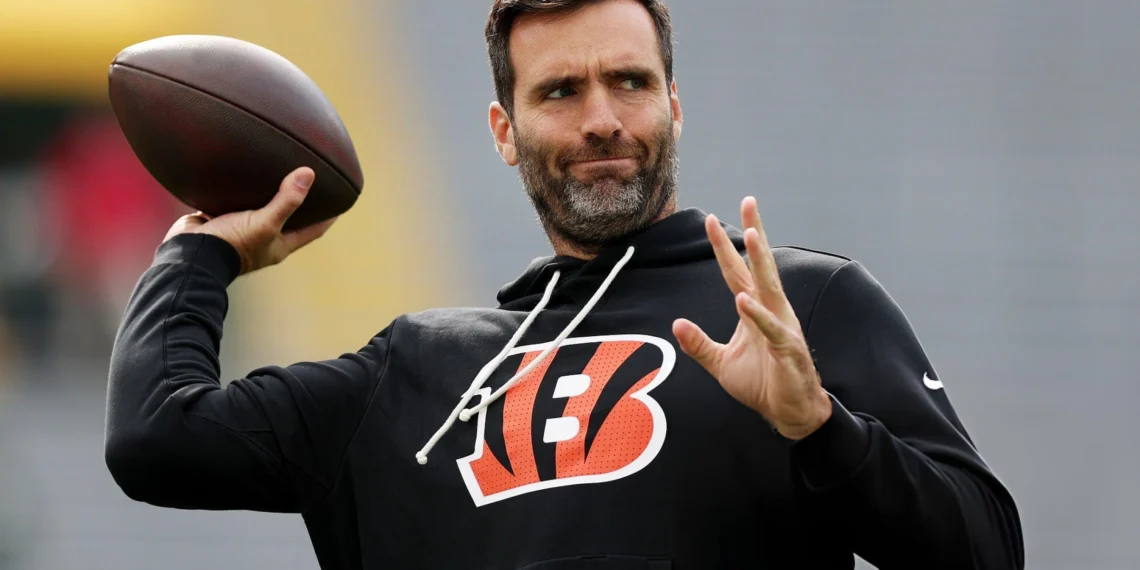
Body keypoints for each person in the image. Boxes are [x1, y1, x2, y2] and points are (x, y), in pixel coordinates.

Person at [104, 0, 1025, 568]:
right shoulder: (413, 370)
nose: (601, 120)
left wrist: (821, 429)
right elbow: (157, 439)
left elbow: (984, 552)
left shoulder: (792, 306)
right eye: (559, 93)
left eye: (629, 82)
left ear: (673, 105)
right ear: (504, 132)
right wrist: (202, 254)